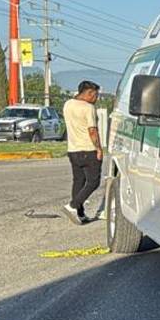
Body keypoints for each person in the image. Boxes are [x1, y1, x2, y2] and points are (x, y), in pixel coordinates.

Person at [61, 80, 103, 225]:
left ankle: (80, 213)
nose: (96, 98)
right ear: (89, 93)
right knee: (93, 181)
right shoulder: (88, 108)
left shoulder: (68, 104)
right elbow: (92, 130)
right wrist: (99, 149)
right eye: (96, 95)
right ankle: (72, 206)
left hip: (73, 150)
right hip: (88, 150)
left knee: (79, 181)